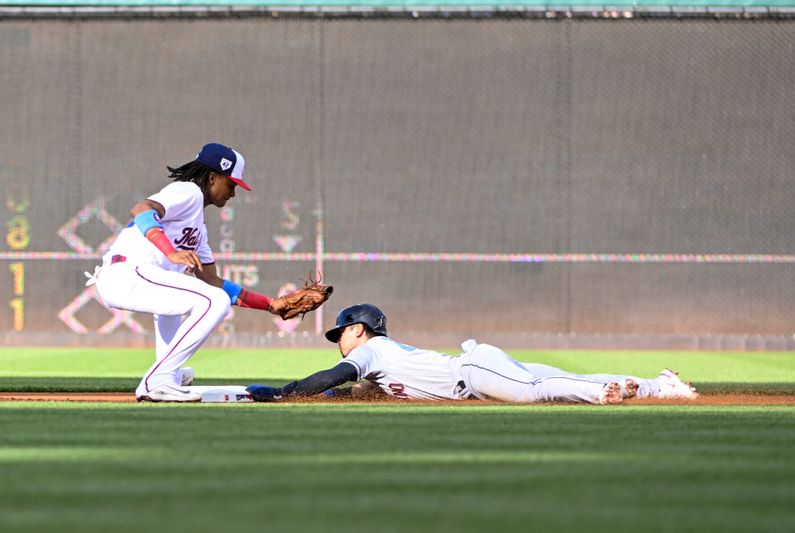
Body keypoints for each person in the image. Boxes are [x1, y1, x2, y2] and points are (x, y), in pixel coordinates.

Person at [89, 143, 293, 402]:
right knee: (213, 302)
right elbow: (142, 209)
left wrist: (270, 305)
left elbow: (213, 282)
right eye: (231, 184)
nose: (233, 193)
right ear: (212, 177)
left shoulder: (199, 229)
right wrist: (170, 251)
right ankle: (158, 380)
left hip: (139, 277)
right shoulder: (188, 192)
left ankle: (169, 375)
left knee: (198, 299)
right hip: (127, 272)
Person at [247, 303, 698, 404]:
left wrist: (284, 393)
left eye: (342, 333)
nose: (340, 340)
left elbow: (332, 376)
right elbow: (354, 392)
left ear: (360, 330)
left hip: (473, 370)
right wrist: (330, 399)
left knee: (535, 391)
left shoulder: (372, 350)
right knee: (547, 376)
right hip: (478, 370)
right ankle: (662, 385)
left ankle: (605, 394)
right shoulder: (380, 360)